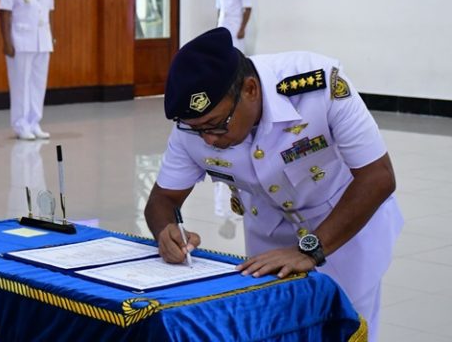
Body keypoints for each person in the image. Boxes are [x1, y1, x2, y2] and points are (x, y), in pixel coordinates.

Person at [144, 27, 402, 341]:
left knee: (343, 324)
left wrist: (310, 250)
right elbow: (162, 199)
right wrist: (166, 231)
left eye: (218, 125)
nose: (209, 139)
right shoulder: (193, 128)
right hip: (267, 233)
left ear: (250, 90)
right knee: (276, 326)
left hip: (345, 227)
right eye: (199, 130)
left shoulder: (316, 85)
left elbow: (378, 176)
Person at [0, 0, 54, 140]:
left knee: (39, 84)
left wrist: (50, 37)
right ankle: (21, 124)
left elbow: (48, 14)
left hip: (42, 41)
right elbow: (5, 14)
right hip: (21, 41)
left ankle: (34, 122)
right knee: (21, 84)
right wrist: (6, 42)